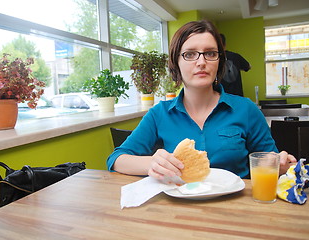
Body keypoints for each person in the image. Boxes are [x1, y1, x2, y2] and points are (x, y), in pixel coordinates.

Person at [107, 20, 296, 181]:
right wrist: (151, 163)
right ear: (176, 63)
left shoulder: (246, 109)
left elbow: (270, 160)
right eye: (189, 54)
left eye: (210, 53)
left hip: (238, 209)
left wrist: (280, 165)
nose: (201, 62)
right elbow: (116, 159)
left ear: (219, 62)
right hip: (178, 209)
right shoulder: (159, 114)